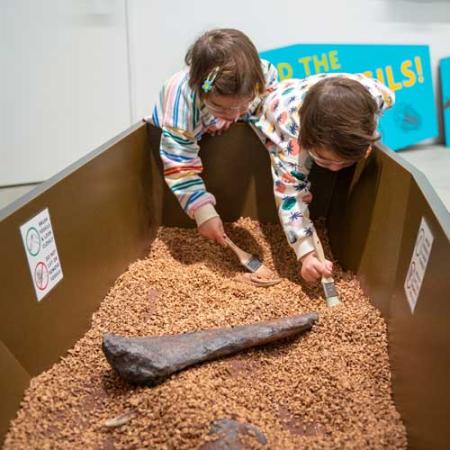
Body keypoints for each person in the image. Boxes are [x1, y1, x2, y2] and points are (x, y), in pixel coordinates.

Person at [251, 73, 395, 282]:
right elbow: (290, 198)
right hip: (275, 102)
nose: (335, 169)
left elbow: (383, 102)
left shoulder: (378, 96)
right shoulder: (293, 142)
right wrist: (307, 253)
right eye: (324, 161)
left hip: (333, 91)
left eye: (345, 162)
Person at [149, 28, 278, 246]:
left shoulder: (263, 77)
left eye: (243, 104)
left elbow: (269, 113)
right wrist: (203, 212)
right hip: (181, 135)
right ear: (198, 88)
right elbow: (179, 160)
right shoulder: (181, 99)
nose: (235, 114)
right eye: (220, 106)